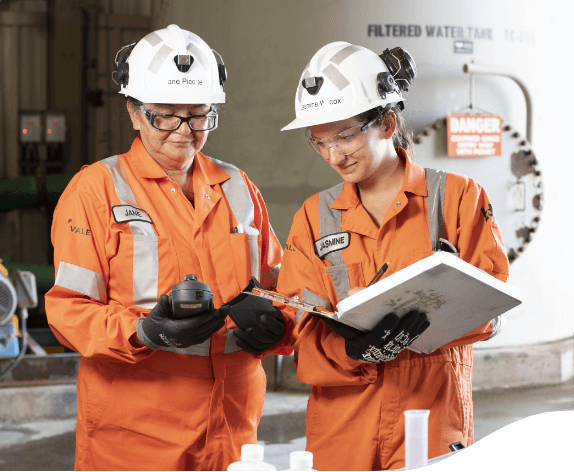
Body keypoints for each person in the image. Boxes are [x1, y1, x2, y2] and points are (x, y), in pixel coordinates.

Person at [45, 25, 291, 471]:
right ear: (134, 113)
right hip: (136, 438)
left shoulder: (237, 186)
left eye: (198, 115)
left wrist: (281, 326)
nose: (183, 131)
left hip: (232, 430)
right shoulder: (96, 190)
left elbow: (280, 286)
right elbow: (68, 312)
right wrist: (142, 332)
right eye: (164, 116)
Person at [277, 42, 509, 471]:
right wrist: (352, 349)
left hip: (431, 421)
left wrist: (438, 309)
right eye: (320, 142)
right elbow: (300, 331)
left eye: (345, 136)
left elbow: (491, 311)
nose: (334, 155)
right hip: (342, 431)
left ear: (387, 123)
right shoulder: (314, 217)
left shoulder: (456, 198)